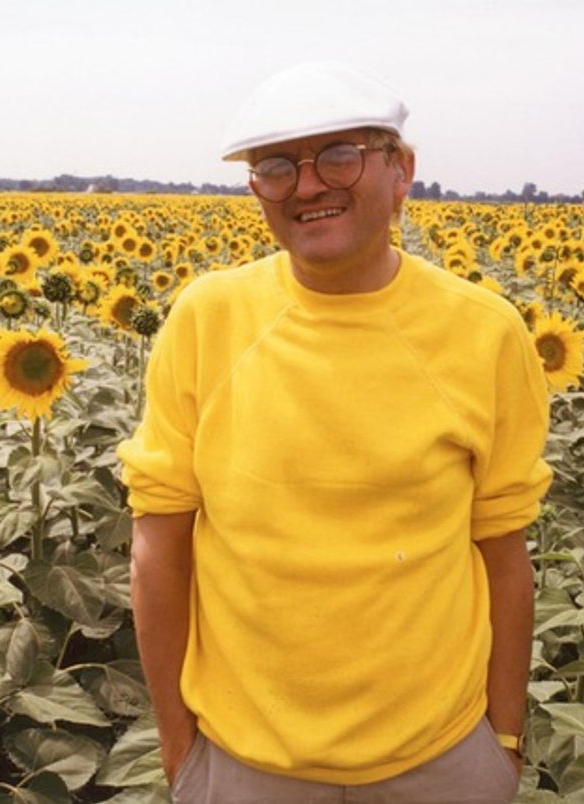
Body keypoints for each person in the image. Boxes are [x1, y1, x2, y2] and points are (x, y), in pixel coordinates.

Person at [118, 61, 552, 804]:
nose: (309, 186)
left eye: (341, 156)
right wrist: (179, 749)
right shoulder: (207, 319)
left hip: (441, 758)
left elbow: (503, 553)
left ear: (402, 170)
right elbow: (160, 544)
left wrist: (502, 746)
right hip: (245, 761)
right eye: (276, 168)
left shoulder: (484, 334)